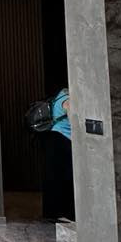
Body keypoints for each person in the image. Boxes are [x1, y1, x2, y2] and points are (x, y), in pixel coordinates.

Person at [42, 86, 75, 221]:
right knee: (66, 177)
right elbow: (74, 121)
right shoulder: (68, 100)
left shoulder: (58, 96)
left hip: (54, 138)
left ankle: (51, 212)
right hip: (64, 139)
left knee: (53, 176)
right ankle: (64, 213)